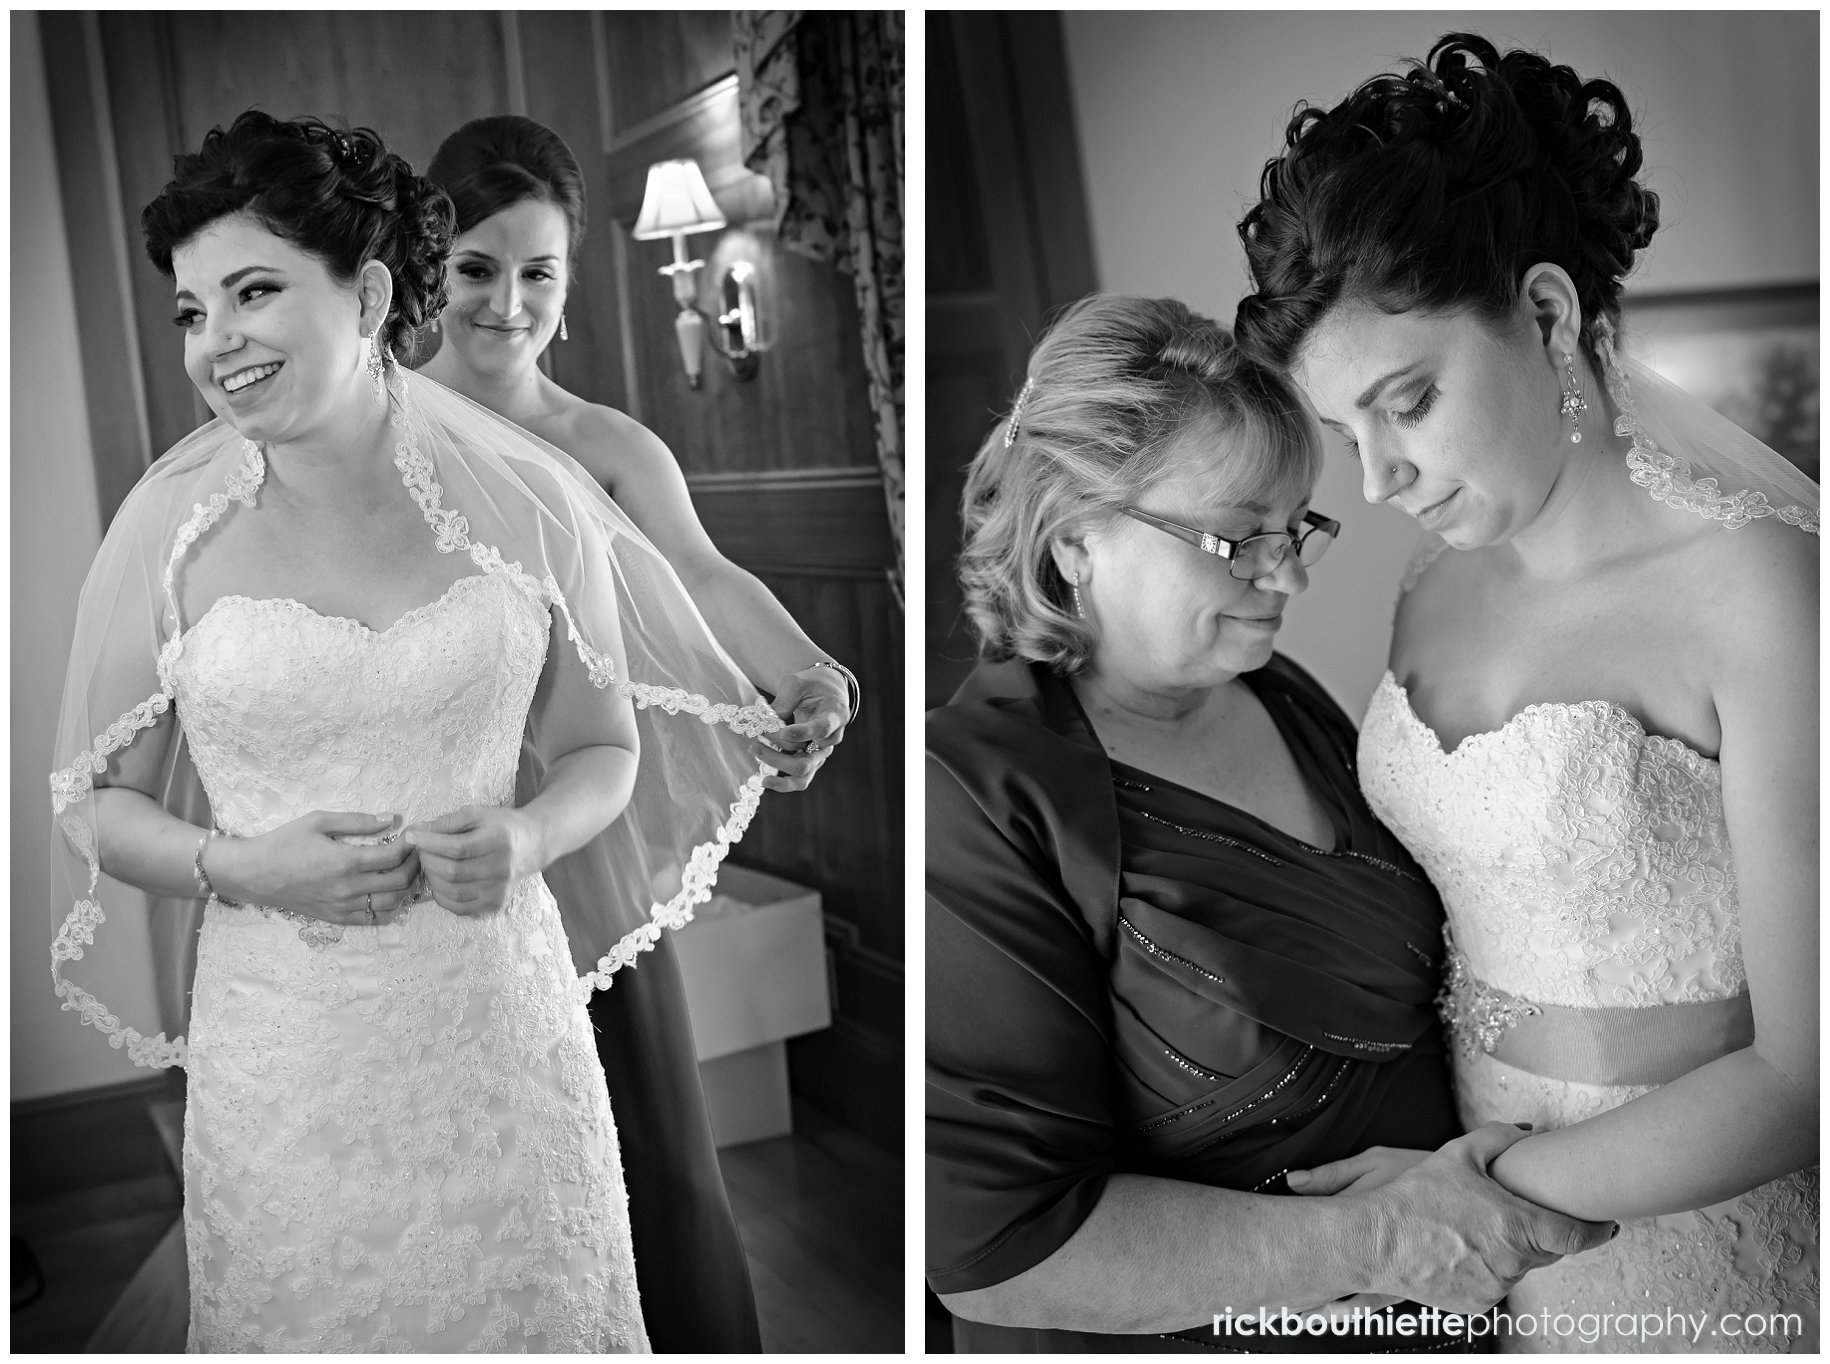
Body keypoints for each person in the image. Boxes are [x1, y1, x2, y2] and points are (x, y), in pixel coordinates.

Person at [49, 111, 781, 1351]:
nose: (214, 342)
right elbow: (90, 797)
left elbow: (606, 746)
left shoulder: (536, 500)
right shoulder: (166, 533)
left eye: (254, 291)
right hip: (288, 1049)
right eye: (190, 310)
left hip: (500, 1024)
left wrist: (530, 833)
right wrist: (240, 864)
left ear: (370, 290)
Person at [1235, 34, 1818, 1352]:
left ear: (1546, 315)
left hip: (1687, 1256)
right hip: (1473, 1259)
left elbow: (1806, 1072)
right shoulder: (1424, 586)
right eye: (1346, 433)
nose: (1375, 478)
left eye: (1408, 401)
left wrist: (1473, 1201)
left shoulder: (1759, 591)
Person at [926, 293, 1613, 1353]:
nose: (1283, 574)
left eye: (1295, 528)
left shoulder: (1280, 692)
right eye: (1235, 538)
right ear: (1072, 543)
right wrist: (1383, 1242)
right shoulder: (977, 793)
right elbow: (1004, 1248)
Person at [414, 113, 861, 1351]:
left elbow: (708, 578)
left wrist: (811, 672)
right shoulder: (377, 435)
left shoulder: (605, 447)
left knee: (648, 1144)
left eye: (538, 271)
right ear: (423, 267)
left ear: (572, 282)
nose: (508, 303)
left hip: (578, 832)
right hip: (426, 822)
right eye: (476, 269)